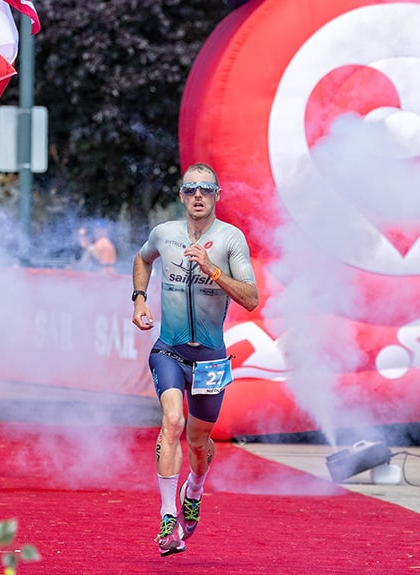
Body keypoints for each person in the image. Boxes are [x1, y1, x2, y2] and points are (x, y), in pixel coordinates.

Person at [131, 163, 258, 556]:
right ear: (182, 195)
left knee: (199, 443)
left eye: (206, 189)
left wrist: (212, 269)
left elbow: (251, 299)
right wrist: (138, 299)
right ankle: (169, 517)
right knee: (172, 421)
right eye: (191, 189)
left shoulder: (230, 240)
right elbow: (142, 259)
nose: (198, 196)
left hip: (210, 360)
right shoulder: (164, 234)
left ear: (218, 195)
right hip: (169, 349)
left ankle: (195, 490)